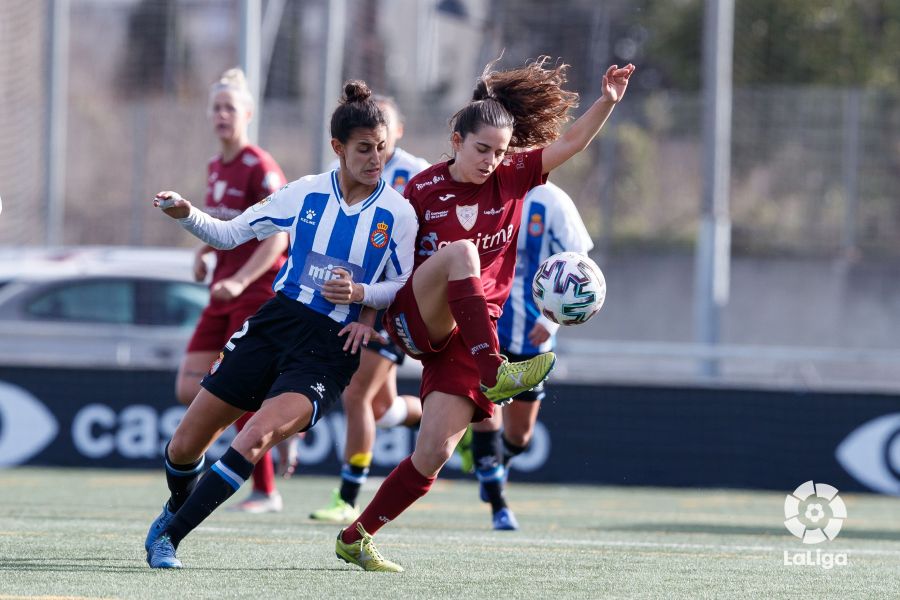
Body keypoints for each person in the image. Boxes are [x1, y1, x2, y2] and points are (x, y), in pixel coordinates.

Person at [333, 57, 634, 573]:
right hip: (417, 315)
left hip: (468, 335)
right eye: (481, 149)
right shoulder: (421, 189)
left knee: (434, 454)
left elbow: (572, 144)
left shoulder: (516, 175)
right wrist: (364, 313)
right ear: (456, 138)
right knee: (462, 254)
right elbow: (387, 259)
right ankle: (497, 373)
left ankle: (356, 535)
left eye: (499, 151)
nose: (492, 160)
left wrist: (606, 101)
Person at [144, 80, 418, 569]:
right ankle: (173, 508)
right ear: (338, 147)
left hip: (329, 348)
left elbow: (402, 284)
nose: (376, 159)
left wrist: (360, 297)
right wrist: (186, 214)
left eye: (381, 148)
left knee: (254, 437)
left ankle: (171, 538)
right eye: (363, 149)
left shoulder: (397, 213)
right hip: (276, 323)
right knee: (185, 446)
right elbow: (229, 235)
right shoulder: (306, 193)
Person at [310, 95, 430, 524]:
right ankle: (454, 418)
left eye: (385, 132)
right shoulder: (340, 176)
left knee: (357, 394)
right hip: (359, 296)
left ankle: (348, 494)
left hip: (390, 301)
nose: (375, 148)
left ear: (396, 132)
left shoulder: (417, 175)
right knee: (382, 409)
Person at [177, 67, 290, 514]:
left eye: (231, 108)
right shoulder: (215, 166)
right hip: (221, 293)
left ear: (247, 114)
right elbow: (227, 225)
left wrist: (241, 279)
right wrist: (205, 251)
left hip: (252, 293)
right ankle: (277, 424)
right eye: (217, 107)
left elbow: (277, 237)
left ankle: (265, 489)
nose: (222, 114)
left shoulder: (260, 167)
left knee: (235, 388)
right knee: (190, 385)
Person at [470, 180, 594, 531]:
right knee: (485, 412)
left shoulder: (553, 201)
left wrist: (551, 321)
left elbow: (580, 267)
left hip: (532, 334)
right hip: (485, 325)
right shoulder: (482, 191)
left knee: (520, 437)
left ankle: (496, 461)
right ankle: (499, 505)